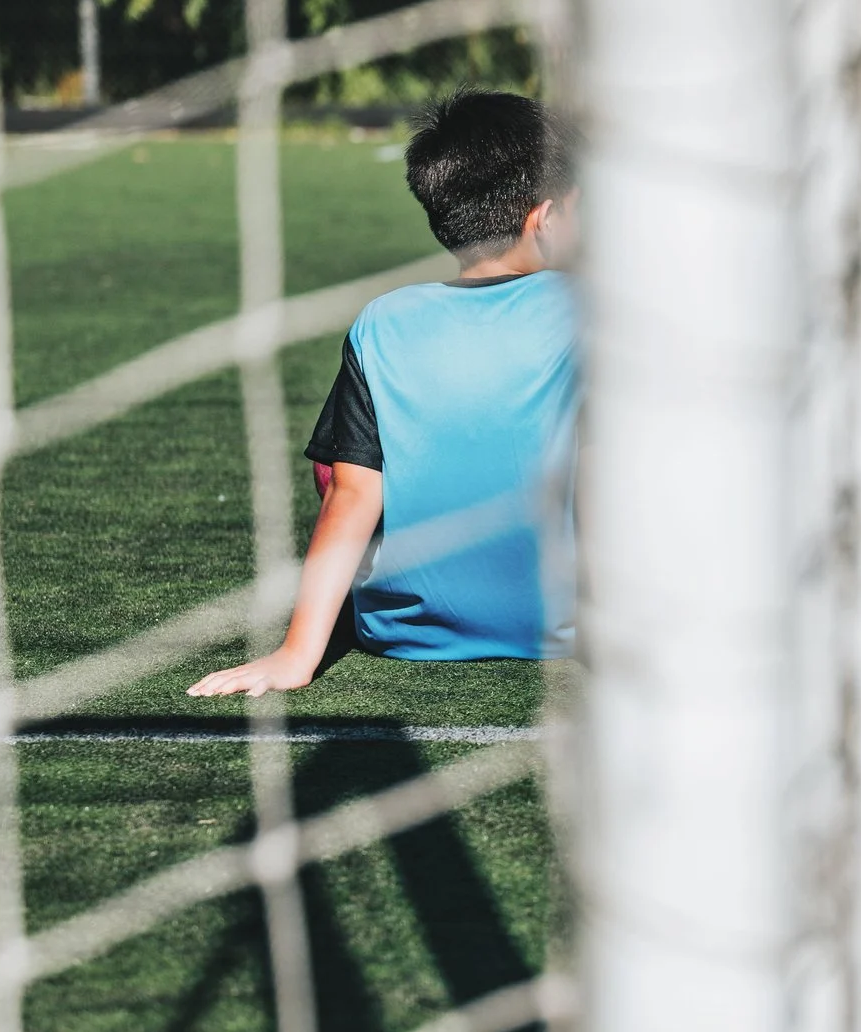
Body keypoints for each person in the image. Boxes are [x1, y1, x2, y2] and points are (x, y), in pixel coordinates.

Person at [190, 91, 579, 696]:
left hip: (404, 632)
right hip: (572, 625)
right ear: (549, 220)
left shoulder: (382, 321)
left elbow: (350, 494)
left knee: (338, 465)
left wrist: (297, 655)